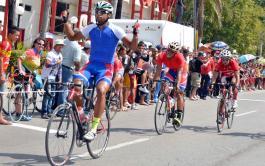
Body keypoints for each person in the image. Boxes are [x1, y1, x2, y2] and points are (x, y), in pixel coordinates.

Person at [63, 1, 138, 141]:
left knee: (101, 90)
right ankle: (80, 113)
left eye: (101, 12)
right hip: (91, 65)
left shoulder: (116, 30)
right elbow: (72, 37)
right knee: (76, 83)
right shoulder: (90, 28)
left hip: (106, 68)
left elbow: (132, 47)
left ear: (108, 14)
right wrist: (66, 22)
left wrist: (135, 33)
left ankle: (94, 127)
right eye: (97, 11)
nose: (98, 14)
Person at [153, 41, 186, 126]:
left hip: (181, 72)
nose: (169, 52)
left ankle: (179, 115)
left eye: (172, 51)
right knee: (165, 84)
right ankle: (169, 104)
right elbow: (158, 70)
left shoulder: (180, 57)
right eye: (168, 50)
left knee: (179, 93)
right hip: (171, 71)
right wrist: (155, 81)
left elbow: (179, 73)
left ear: (175, 53)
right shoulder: (161, 55)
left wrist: (177, 84)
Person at [0, 26, 20, 125]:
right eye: (16, 35)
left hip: (3, 72)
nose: (17, 37)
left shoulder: (8, 44)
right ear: (10, 35)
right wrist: (2, 74)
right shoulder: (6, 44)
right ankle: (0, 118)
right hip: (1, 73)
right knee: (1, 95)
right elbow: (0, 58)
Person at [41, 39, 64, 119]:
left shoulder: (60, 55)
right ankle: (44, 112)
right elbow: (47, 64)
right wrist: (56, 62)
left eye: (62, 46)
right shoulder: (50, 54)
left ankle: (49, 111)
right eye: (60, 46)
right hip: (47, 76)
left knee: (52, 95)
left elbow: (60, 68)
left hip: (53, 77)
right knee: (47, 95)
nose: (61, 47)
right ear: (56, 46)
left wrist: (60, 79)